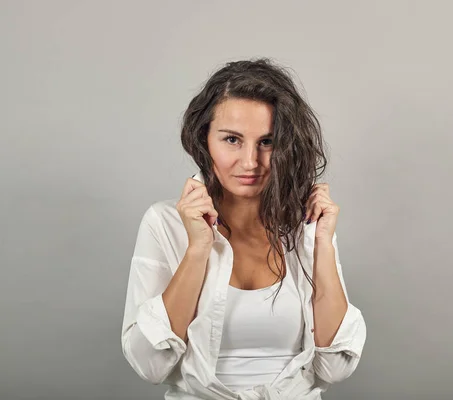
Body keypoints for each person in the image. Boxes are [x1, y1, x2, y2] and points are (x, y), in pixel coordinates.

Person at [121, 58, 366, 400]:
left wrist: (321, 242)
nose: (250, 162)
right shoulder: (164, 223)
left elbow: (335, 367)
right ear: (203, 138)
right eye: (232, 139)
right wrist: (197, 249)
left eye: (267, 142)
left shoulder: (306, 228)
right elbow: (150, 364)